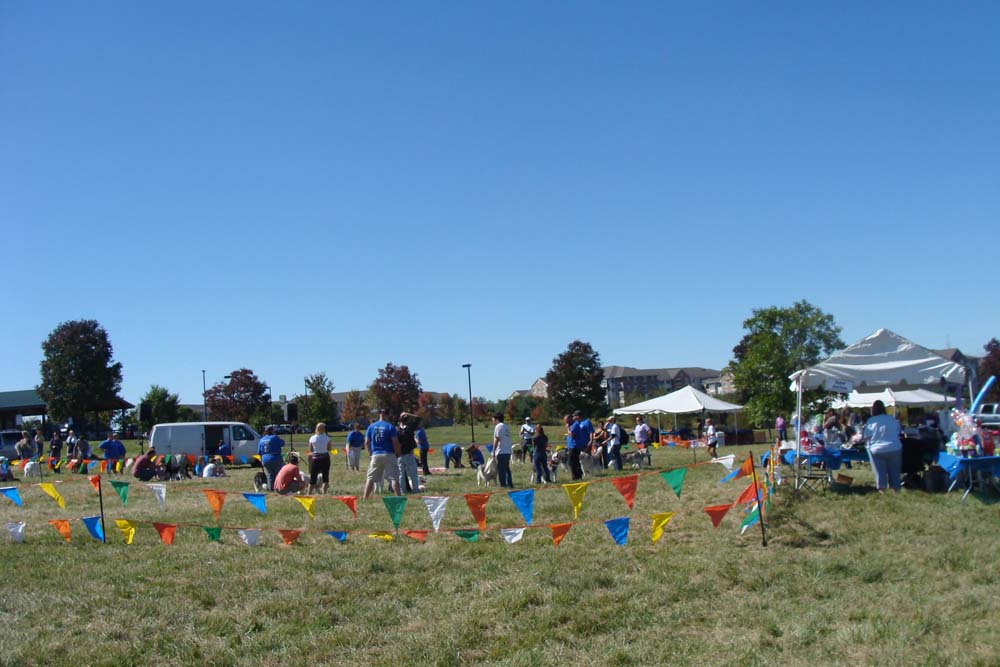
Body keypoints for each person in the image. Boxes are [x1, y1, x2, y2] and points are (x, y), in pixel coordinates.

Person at [864, 399, 903, 494]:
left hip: (877, 449)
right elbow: (898, 432)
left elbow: (866, 436)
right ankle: (896, 490)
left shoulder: (871, 421)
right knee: (895, 471)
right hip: (894, 447)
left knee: (879, 472)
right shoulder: (892, 419)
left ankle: (882, 490)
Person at [362, 408, 401, 500]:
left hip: (376, 454)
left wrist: (370, 454)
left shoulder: (371, 427)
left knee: (370, 477)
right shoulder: (390, 427)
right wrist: (397, 453)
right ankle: (399, 498)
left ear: (379, 414)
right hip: (389, 454)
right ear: (387, 415)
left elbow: (367, 442)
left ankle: (365, 497)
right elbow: (395, 442)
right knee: (394, 478)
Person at [396, 413, 421, 494]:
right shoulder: (410, 428)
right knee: (413, 474)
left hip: (400, 455)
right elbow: (418, 418)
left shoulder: (396, 430)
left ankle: (403, 491)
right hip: (410, 454)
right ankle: (416, 490)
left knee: (401, 475)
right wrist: (408, 414)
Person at [257, 425, 285, 491]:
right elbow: (282, 443)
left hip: (265, 458)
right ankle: (279, 488)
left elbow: (259, 452)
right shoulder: (274, 437)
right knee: (279, 473)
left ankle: (271, 488)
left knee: (269, 475)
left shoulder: (262, 439)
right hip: (275, 457)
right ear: (272, 431)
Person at [568, 411, 594, 481]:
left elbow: (591, 432)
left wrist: (591, 440)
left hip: (583, 444)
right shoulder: (577, 423)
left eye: (574, 416)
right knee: (578, 461)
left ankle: (588, 472)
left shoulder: (586, 422)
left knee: (585, 460)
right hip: (578, 444)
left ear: (578, 416)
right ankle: (581, 474)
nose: (573, 417)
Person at [308, 422, 332, 495]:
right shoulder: (327, 438)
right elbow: (329, 449)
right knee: (325, 477)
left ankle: (309, 493)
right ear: (324, 429)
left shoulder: (312, 438)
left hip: (316, 459)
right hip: (325, 458)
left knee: (313, 477)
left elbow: (311, 450)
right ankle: (324, 493)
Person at [492, 412, 514, 488]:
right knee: (507, 468)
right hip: (507, 450)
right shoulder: (506, 426)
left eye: (493, 419)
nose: (492, 420)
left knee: (501, 469)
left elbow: (497, 439)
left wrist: (493, 451)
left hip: (501, 451)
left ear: (496, 419)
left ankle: (503, 484)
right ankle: (510, 483)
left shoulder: (498, 426)